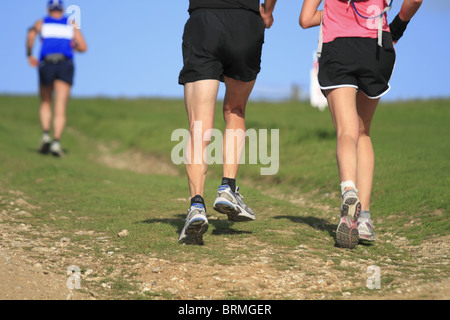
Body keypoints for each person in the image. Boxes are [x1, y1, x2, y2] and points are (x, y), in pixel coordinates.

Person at [299, 0, 422, 248]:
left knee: (347, 131)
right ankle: (364, 219)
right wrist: (398, 26)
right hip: (375, 47)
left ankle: (349, 191)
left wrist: (335, 12)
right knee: (363, 132)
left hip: (337, 48)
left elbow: (305, 19)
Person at [177, 0, 277, 245]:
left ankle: (197, 206)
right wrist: (268, 11)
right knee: (235, 109)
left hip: (205, 21)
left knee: (199, 125)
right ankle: (227, 188)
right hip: (246, 22)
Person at [26, 0, 87, 157]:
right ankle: (56, 142)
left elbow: (31, 34)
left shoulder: (42, 22)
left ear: (48, 9)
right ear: (62, 8)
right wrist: (72, 45)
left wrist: (29, 54)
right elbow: (83, 47)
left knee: (46, 101)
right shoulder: (71, 23)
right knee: (60, 105)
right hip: (64, 64)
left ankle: (46, 133)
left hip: (46, 63)